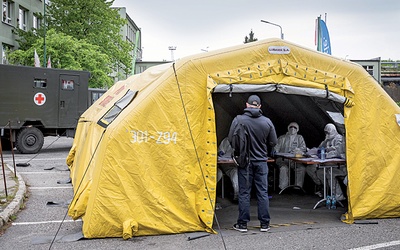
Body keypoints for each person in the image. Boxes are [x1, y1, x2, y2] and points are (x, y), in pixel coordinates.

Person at [228, 94, 277, 233]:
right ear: (259, 106)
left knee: (244, 193)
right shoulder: (267, 122)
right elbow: (273, 142)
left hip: (245, 162)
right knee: (262, 192)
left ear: (247, 105)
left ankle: (242, 224)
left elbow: (231, 139)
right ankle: (265, 224)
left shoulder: (238, 120)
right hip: (261, 162)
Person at [306, 123, 347, 200]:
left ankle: (338, 195)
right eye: (326, 132)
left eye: (328, 132)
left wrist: (326, 153)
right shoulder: (327, 139)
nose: (327, 133)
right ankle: (326, 190)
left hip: (341, 166)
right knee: (319, 172)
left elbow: (337, 151)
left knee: (329, 173)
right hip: (330, 164)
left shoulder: (339, 139)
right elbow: (319, 149)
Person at [274, 122, 307, 190]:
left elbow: (304, 148)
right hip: (282, 159)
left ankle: (298, 187)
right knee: (284, 168)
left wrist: (297, 150)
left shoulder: (299, 138)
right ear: (288, 128)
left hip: (294, 160)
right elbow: (276, 149)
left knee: (301, 168)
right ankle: (283, 188)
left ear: (297, 129)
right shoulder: (282, 138)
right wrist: (280, 153)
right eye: (291, 127)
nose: (293, 129)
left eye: (295, 127)